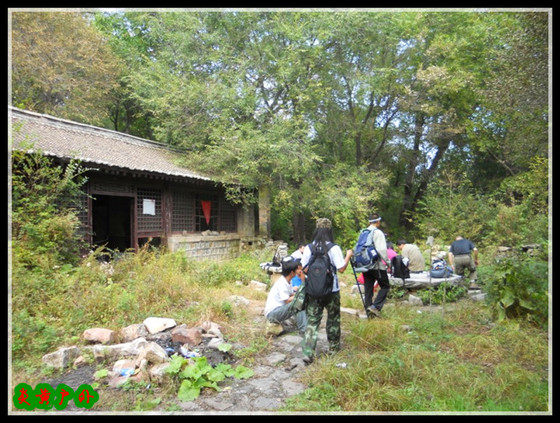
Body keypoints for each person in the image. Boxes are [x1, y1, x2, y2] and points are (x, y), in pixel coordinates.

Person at [300, 218, 353, 364]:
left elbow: (303, 269)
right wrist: (348, 256)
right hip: (332, 290)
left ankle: (308, 352)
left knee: (312, 320)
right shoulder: (334, 248)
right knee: (333, 319)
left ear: (316, 230)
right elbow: (341, 269)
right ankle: (333, 349)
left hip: (313, 291)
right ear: (330, 231)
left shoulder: (309, 248)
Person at [263, 258, 308, 335]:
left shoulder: (288, 281)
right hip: (272, 314)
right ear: (292, 273)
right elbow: (287, 300)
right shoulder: (282, 283)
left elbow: (292, 295)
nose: (299, 271)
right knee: (298, 303)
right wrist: (300, 295)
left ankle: (304, 328)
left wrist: (302, 283)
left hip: (279, 311)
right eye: (297, 270)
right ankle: (304, 330)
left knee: (300, 302)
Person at [361, 213, 391, 318]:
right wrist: (388, 263)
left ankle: (369, 314)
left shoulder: (364, 232)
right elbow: (381, 250)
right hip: (376, 265)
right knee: (385, 286)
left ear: (369, 222)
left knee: (368, 289)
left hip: (365, 265)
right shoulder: (378, 232)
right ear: (378, 221)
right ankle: (375, 307)